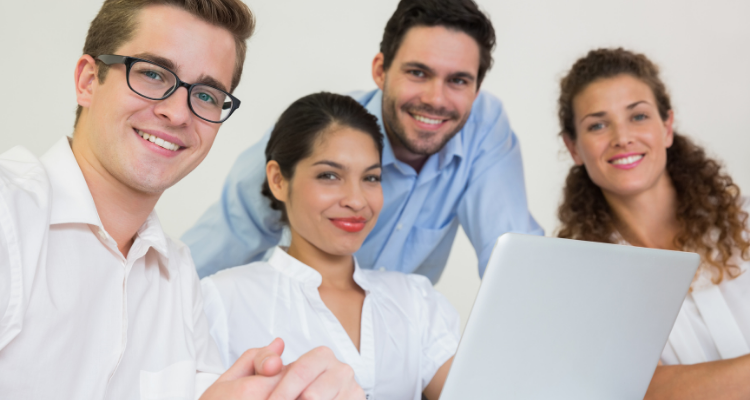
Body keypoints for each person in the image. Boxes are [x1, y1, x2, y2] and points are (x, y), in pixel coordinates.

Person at [0, 1, 363, 399]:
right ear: (88, 80)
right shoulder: (10, 213)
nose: (178, 113)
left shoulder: (177, 272)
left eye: (206, 96)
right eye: (153, 74)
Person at [183, 0, 543, 282]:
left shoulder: (483, 127)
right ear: (380, 70)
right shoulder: (315, 135)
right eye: (418, 73)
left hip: (386, 345)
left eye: (459, 81)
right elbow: (207, 261)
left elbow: (516, 264)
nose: (437, 99)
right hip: (281, 333)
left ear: (477, 88)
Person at [201, 92, 459, 400]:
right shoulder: (221, 299)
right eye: (329, 175)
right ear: (279, 180)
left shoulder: (416, 301)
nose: (356, 200)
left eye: (371, 178)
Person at [556, 48, 750, 399]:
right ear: (573, 148)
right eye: (598, 125)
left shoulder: (746, 223)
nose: (622, 137)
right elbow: (639, 392)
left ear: (667, 127)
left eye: (639, 116)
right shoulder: (580, 281)